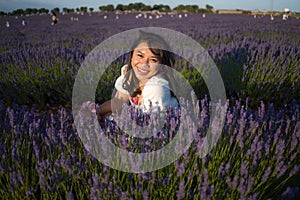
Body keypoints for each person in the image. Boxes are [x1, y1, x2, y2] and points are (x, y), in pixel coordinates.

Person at [81, 31, 179, 121]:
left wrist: (111, 118)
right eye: (140, 55)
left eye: (153, 60)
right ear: (132, 56)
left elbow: (153, 124)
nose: (144, 63)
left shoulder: (156, 89)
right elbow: (118, 102)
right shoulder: (131, 75)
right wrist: (96, 112)